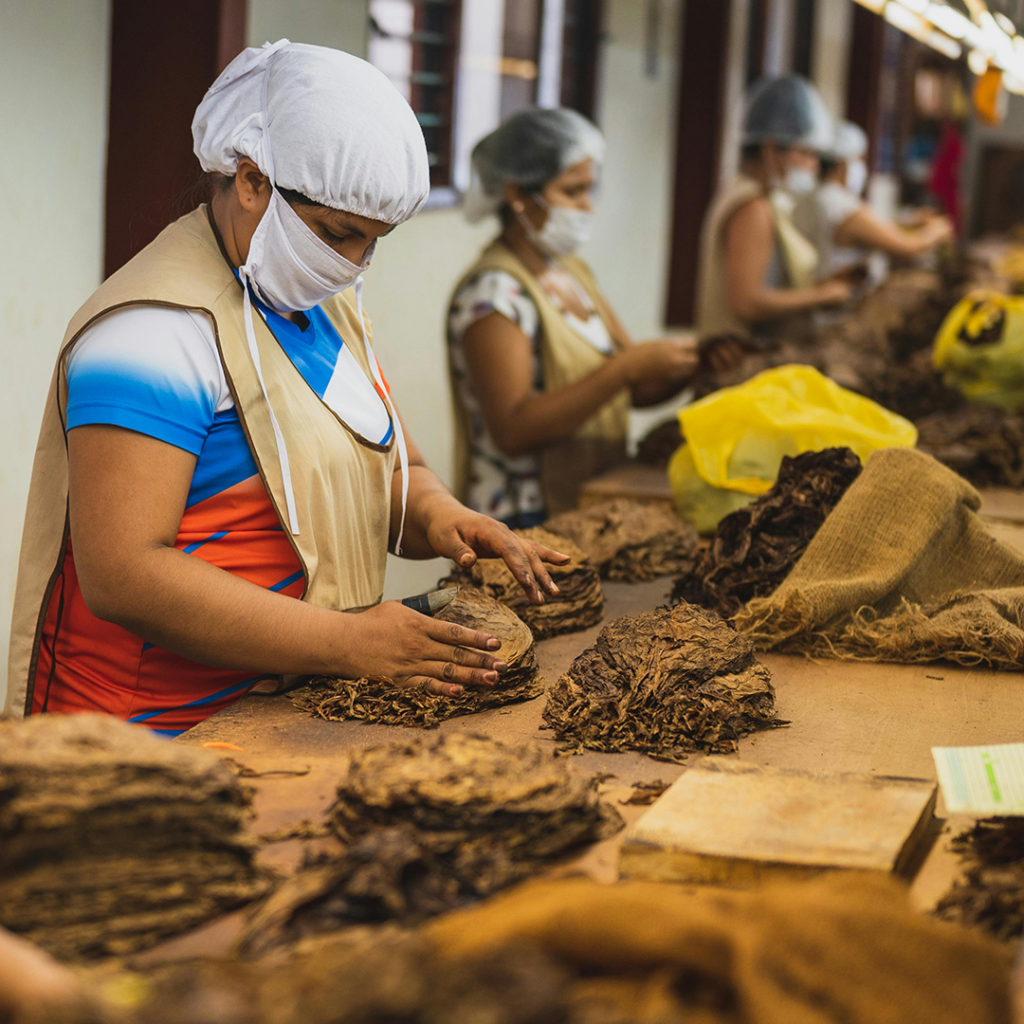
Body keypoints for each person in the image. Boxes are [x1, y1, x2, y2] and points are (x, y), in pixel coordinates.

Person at [6, 41, 567, 732]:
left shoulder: (316, 306)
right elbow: (124, 574)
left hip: (273, 713)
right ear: (250, 181)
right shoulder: (154, 331)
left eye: (373, 242)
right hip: (147, 733)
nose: (354, 265)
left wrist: (444, 518)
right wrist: (352, 642)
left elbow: (393, 469)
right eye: (338, 234)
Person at [448, 107, 741, 525]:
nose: (588, 205)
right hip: (522, 517)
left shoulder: (572, 272)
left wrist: (692, 367)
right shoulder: (494, 294)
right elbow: (513, 431)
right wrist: (622, 370)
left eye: (590, 189)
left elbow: (634, 388)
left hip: (588, 497)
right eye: (572, 191)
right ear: (517, 194)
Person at [696, 75, 852, 339]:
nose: (813, 166)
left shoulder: (762, 198)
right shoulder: (752, 207)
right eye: (804, 153)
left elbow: (769, 280)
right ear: (770, 150)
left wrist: (824, 284)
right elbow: (746, 302)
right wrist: (819, 296)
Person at [793, 119, 954, 278]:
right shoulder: (842, 207)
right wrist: (937, 230)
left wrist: (911, 221)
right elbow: (908, 247)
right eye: (859, 159)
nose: (862, 166)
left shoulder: (814, 195)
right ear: (842, 163)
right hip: (838, 298)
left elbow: (874, 228)